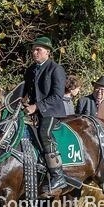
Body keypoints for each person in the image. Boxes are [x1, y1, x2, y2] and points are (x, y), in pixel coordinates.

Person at [22, 36, 70, 194]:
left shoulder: (55, 69)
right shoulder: (30, 70)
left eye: (38, 50)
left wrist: (36, 107)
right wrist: (20, 103)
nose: (34, 52)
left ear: (47, 52)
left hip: (53, 112)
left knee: (44, 132)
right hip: (34, 112)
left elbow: (57, 96)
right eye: (33, 49)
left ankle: (58, 176)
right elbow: (24, 94)